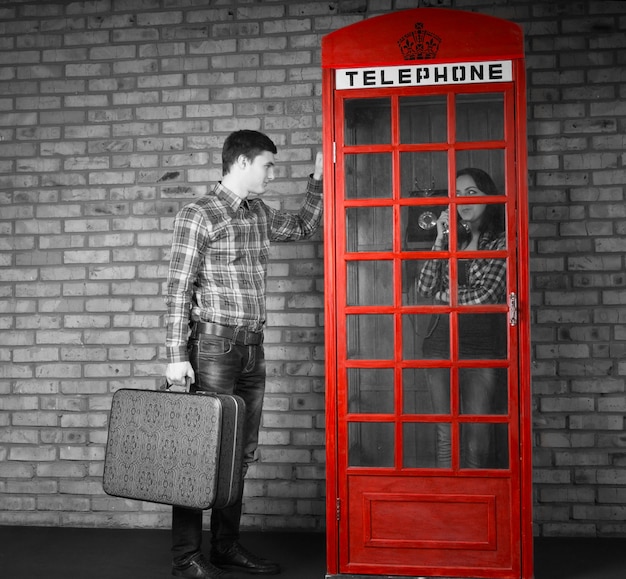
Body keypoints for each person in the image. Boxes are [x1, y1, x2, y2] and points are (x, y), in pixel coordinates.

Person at [164, 130, 323, 579]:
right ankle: (185, 557)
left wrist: (319, 179)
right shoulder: (199, 214)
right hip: (212, 346)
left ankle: (225, 547)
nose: (272, 173)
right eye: (268, 165)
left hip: (253, 347)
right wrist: (177, 353)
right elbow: (178, 289)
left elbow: (304, 226)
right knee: (201, 450)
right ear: (241, 163)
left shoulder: (258, 213)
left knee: (239, 452)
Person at [416, 168, 507, 469]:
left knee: (477, 438)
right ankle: (448, 502)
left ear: (489, 197)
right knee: (445, 434)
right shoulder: (451, 240)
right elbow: (424, 287)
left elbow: (487, 296)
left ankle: (475, 506)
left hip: (480, 347)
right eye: (458, 194)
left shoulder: (500, 242)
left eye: (472, 193)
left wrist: (445, 296)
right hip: (440, 343)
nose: (463, 201)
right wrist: (442, 239)